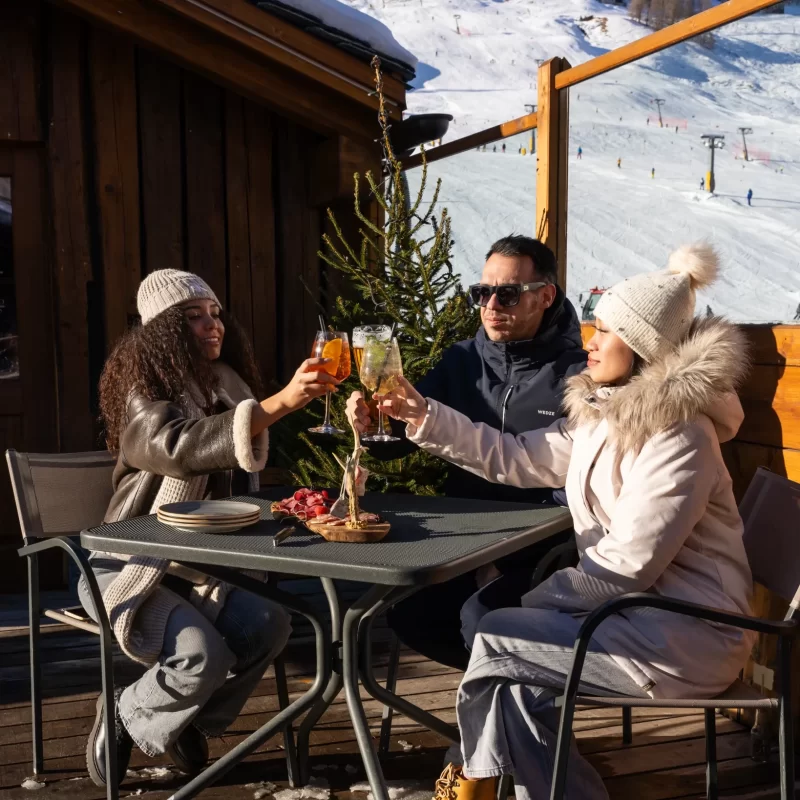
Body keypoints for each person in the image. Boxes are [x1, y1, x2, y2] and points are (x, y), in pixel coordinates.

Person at [373, 243, 755, 800]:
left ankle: (474, 780)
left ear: (645, 348)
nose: (589, 342)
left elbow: (628, 564)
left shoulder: (680, 436)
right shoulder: (605, 416)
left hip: (685, 632)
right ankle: (500, 782)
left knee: (498, 643)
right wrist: (421, 415)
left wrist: (529, 605)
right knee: (509, 675)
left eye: (605, 332)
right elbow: (514, 456)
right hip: (626, 616)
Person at [81, 269, 340, 787]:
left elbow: (237, 469)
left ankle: (183, 720)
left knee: (270, 625)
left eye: (215, 314)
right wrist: (283, 401)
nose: (211, 325)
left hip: (201, 563)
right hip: (132, 560)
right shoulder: (142, 394)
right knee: (201, 654)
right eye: (192, 318)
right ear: (161, 331)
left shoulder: (225, 384)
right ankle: (124, 710)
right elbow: (181, 448)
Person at [346, 236, 587, 670]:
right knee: (407, 611)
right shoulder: (462, 360)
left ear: (545, 296)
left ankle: (507, 699)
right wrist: (370, 426)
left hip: (541, 547)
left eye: (508, 293)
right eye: (482, 292)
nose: (491, 304)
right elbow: (403, 435)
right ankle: (497, 691)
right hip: (462, 538)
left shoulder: (577, 376)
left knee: (484, 621)